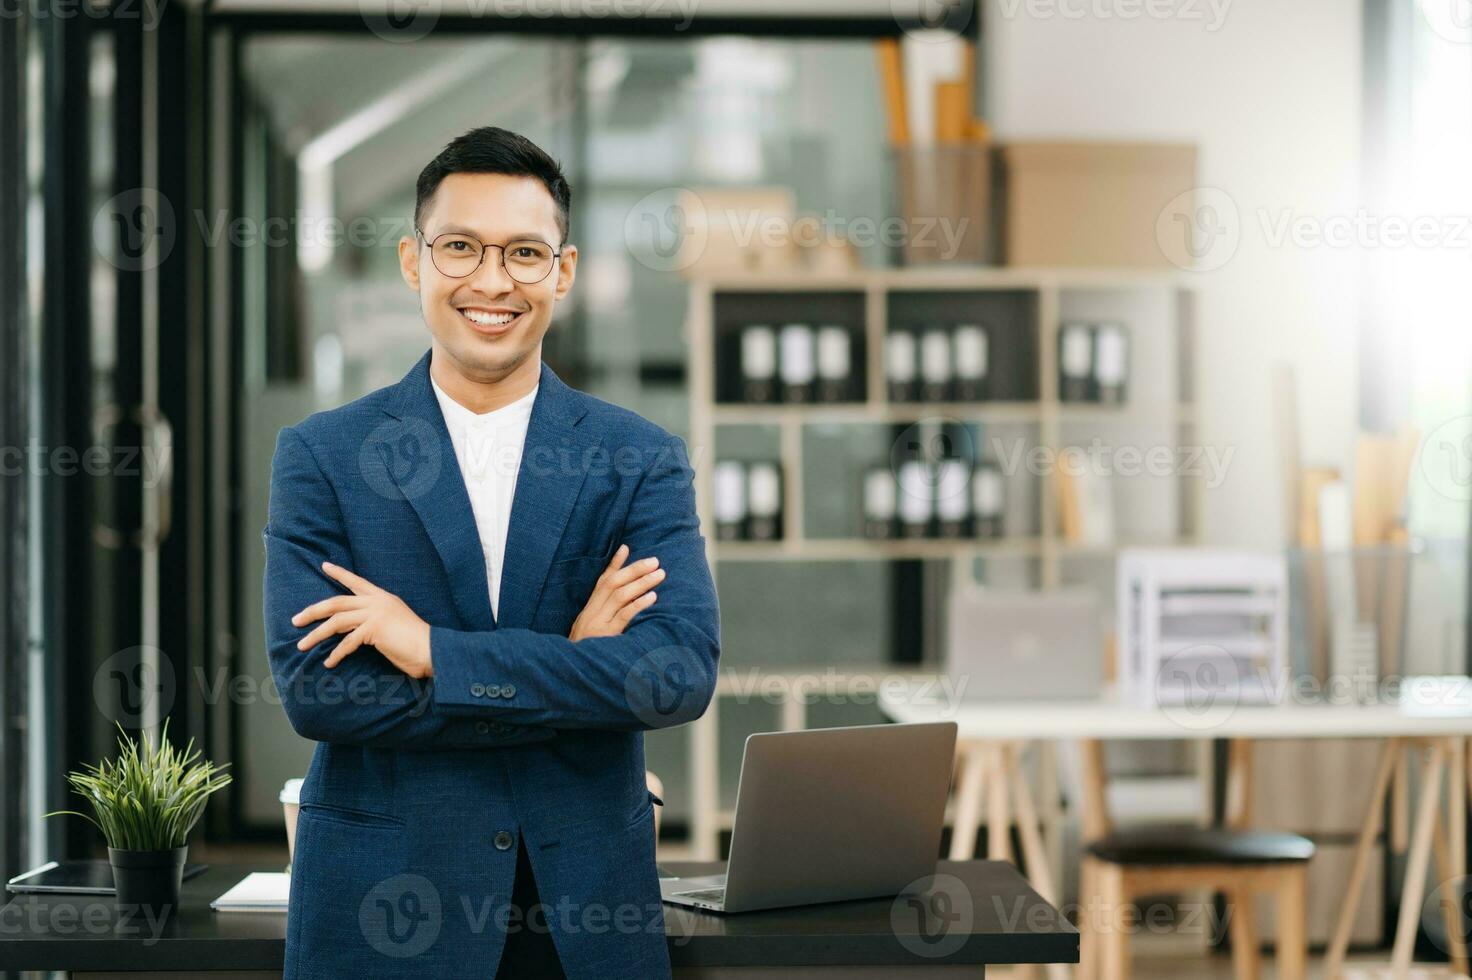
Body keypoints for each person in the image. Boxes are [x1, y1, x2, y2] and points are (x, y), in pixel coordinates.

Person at [263, 126, 719, 979]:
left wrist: (432, 652)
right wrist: (572, 665)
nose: (492, 280)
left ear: (565, 272)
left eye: (524, 252)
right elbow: (320, 693)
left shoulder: (639, 457)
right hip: (386, 906)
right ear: (413, 261)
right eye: (461, 247)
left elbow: (677, 672)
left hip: (584, 911)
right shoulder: (322, 455)